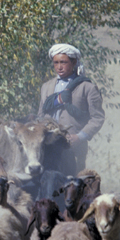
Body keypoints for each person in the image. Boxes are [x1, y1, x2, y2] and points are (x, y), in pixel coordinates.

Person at [37, 43, 105, 171]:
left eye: (63, 62)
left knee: (72, 185)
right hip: (47, 147)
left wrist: (80, 137)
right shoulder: (46, 87)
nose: (59, 67)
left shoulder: (87, 87)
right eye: (56, 63)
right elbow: (40, 116)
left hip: (73, 148)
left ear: (74, 63)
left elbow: (97, 118)